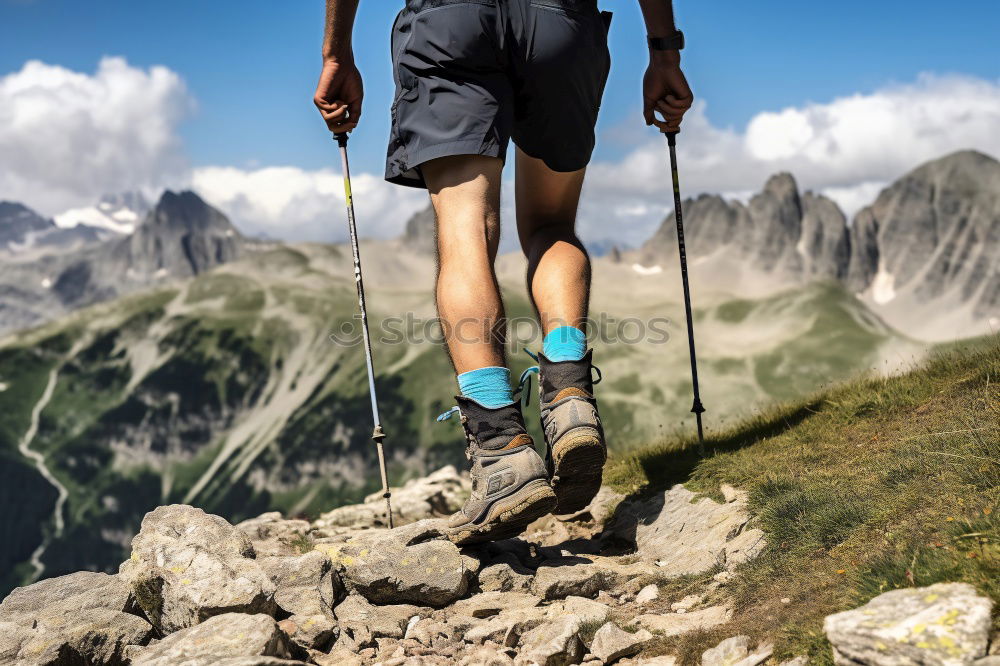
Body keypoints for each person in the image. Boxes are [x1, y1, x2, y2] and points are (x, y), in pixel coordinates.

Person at [315, 0, 692, 544]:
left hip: (451, 22)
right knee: (551, 223)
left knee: (466, 229)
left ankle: (501, 450)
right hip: (560, 22)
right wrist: (663, 51)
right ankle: (569, 398)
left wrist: (336, 52)